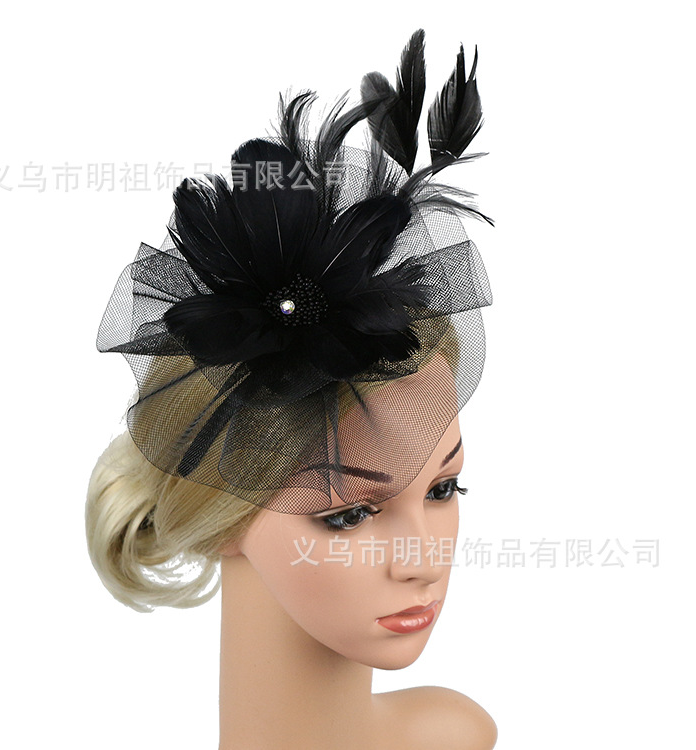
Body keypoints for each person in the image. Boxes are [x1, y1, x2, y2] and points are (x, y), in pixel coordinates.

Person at [87, 29, 497, 749]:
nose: (423, 562)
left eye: (442, 489)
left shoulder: (455, 734)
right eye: (347, 515)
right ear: (220, 516)